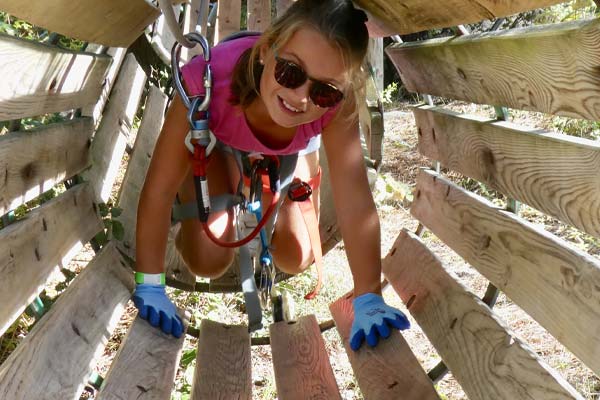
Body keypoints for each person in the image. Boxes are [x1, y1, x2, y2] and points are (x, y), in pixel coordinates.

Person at [132, 0, 410, 351]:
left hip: (292, 150)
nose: (300, 97)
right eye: (290, 73)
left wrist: (368, 296)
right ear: (266, 50)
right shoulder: (204, 85)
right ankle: (220, 175)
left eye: (323, 91)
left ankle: (284, 173)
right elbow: (159, 188)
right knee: (207, 260)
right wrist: (151, 285)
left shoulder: (338, 106)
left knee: (296, 257)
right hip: (214, 143)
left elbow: (355, 200)